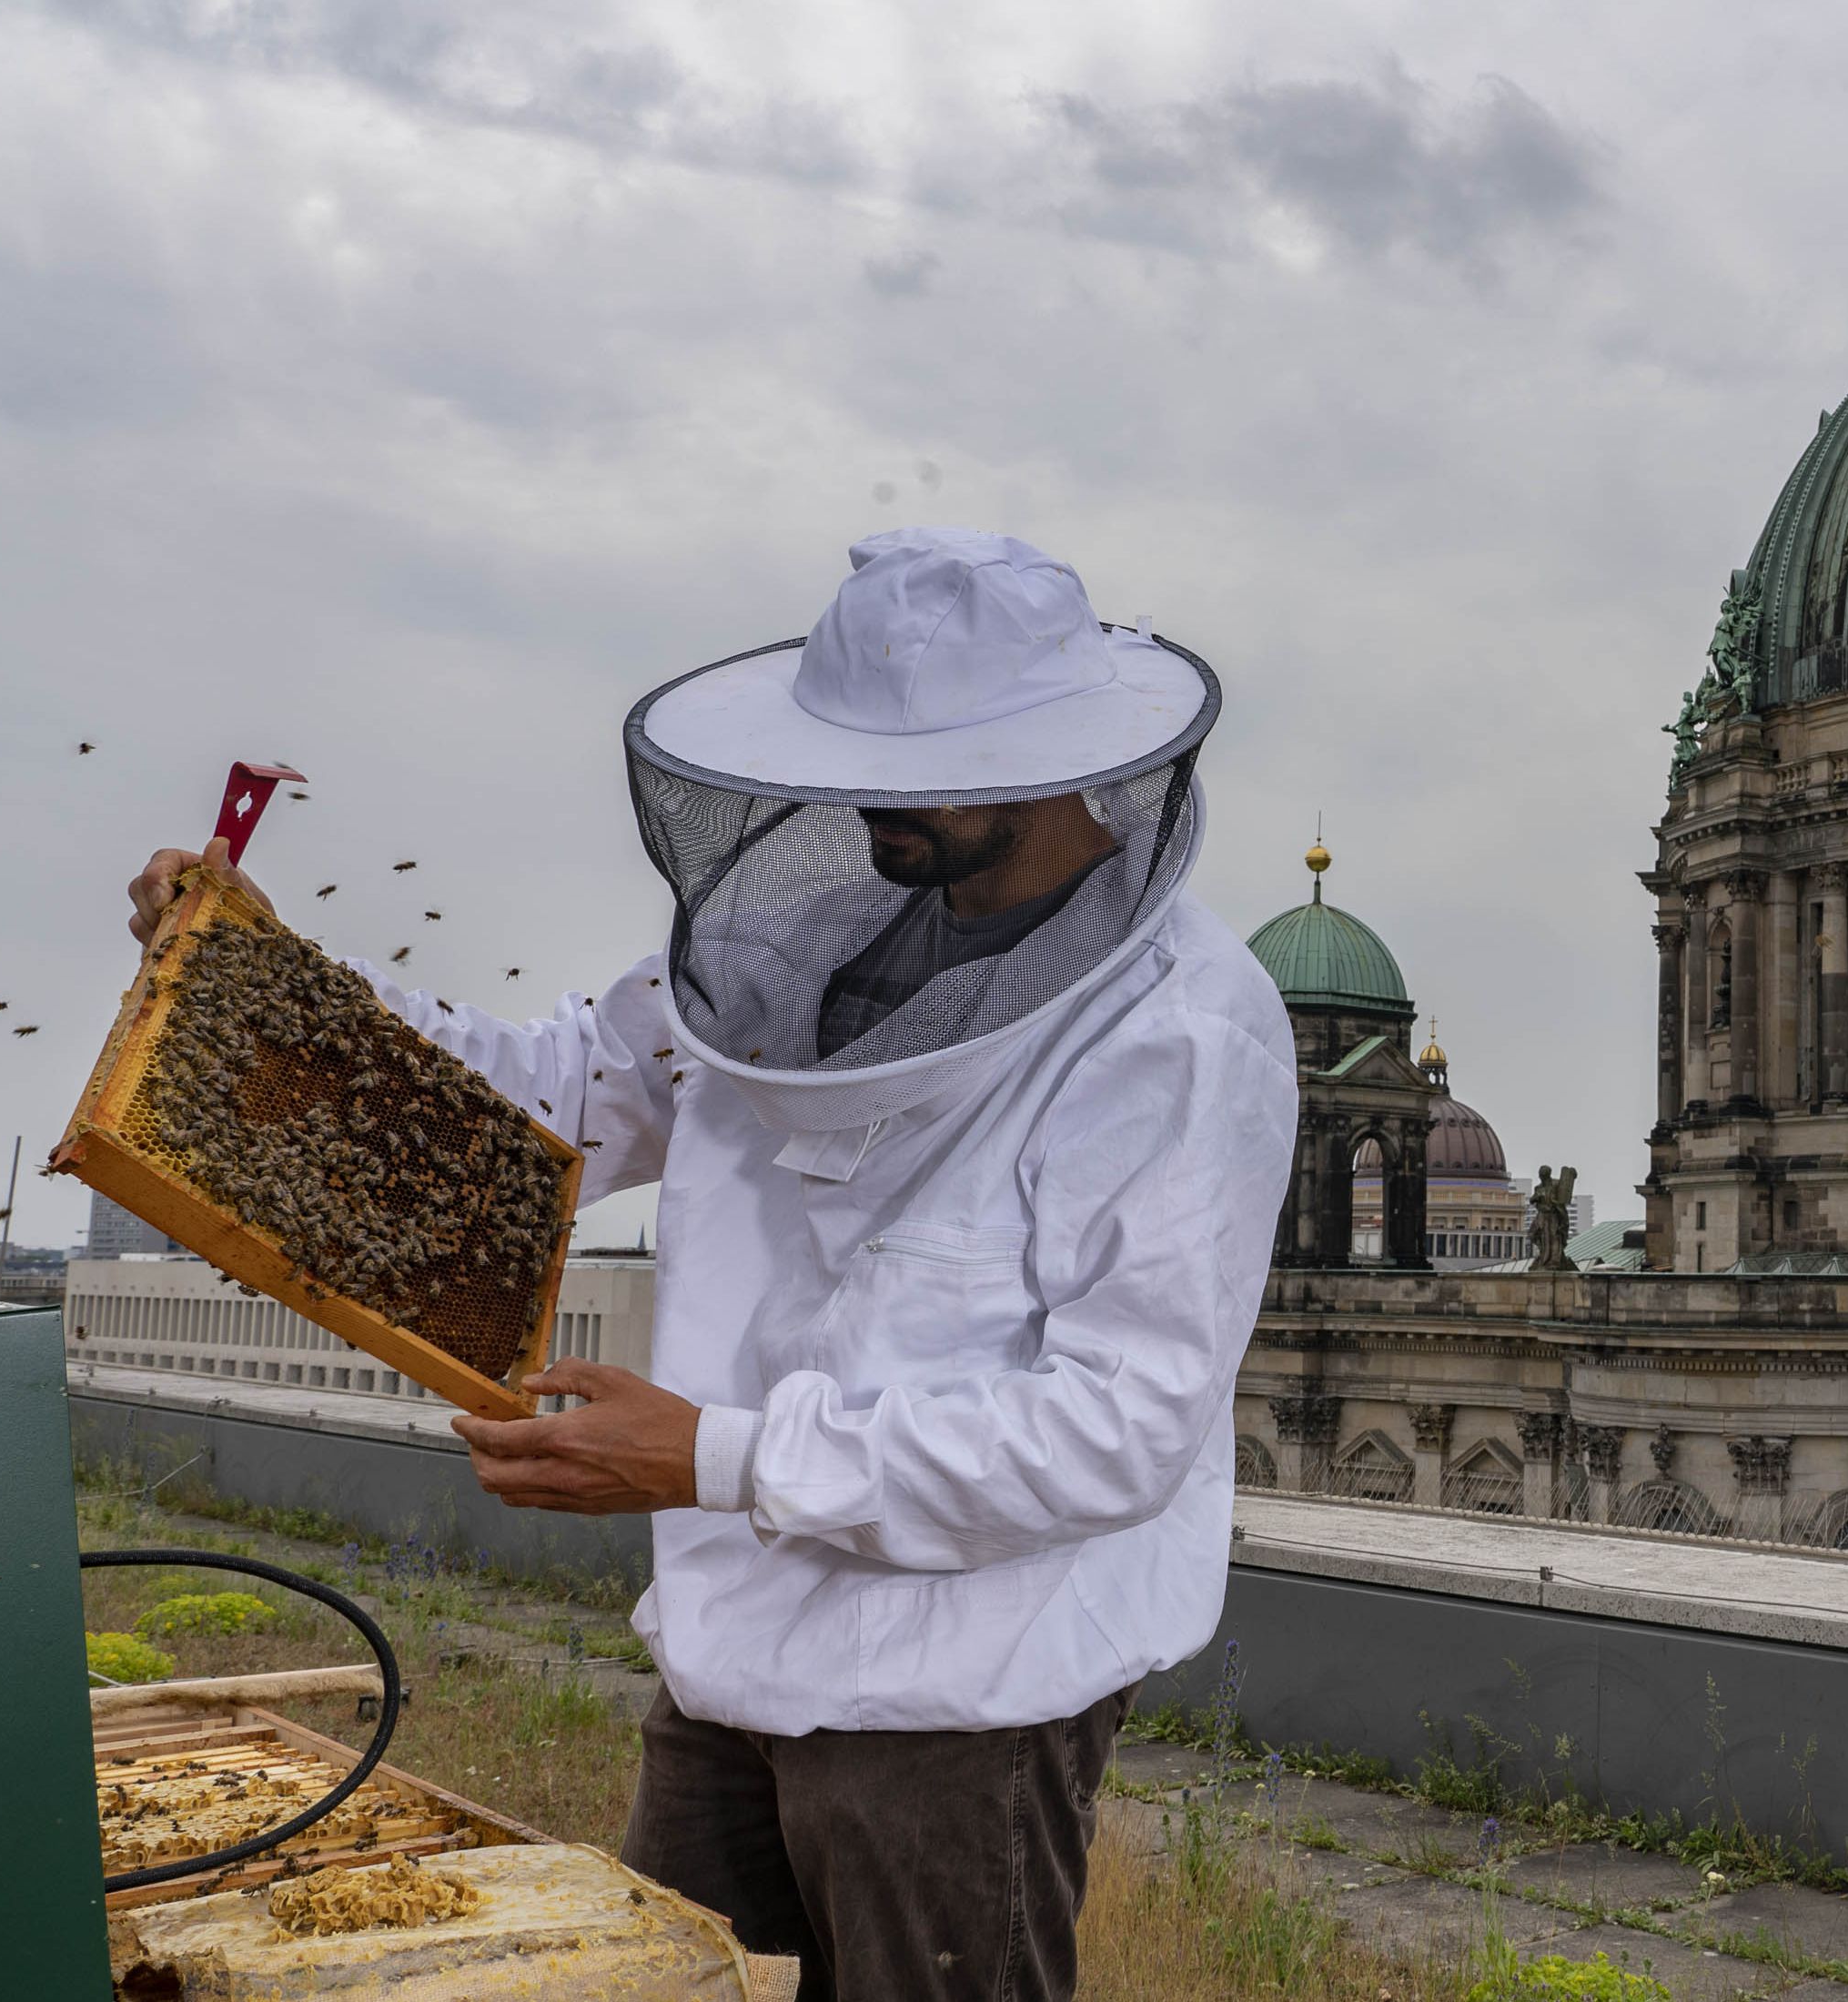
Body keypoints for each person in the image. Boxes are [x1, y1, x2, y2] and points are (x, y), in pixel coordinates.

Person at [126, 529, 1299, 1999]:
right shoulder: (795, 948)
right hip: (732, 1655)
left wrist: (713, 1456)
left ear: (1056, 760)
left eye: (918, 770)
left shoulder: (1183, 1033)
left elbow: (1117, 1430)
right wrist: (287, 989)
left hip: (966, 1692)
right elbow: (556, 1089)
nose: (875, 800)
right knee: (668, 1982)